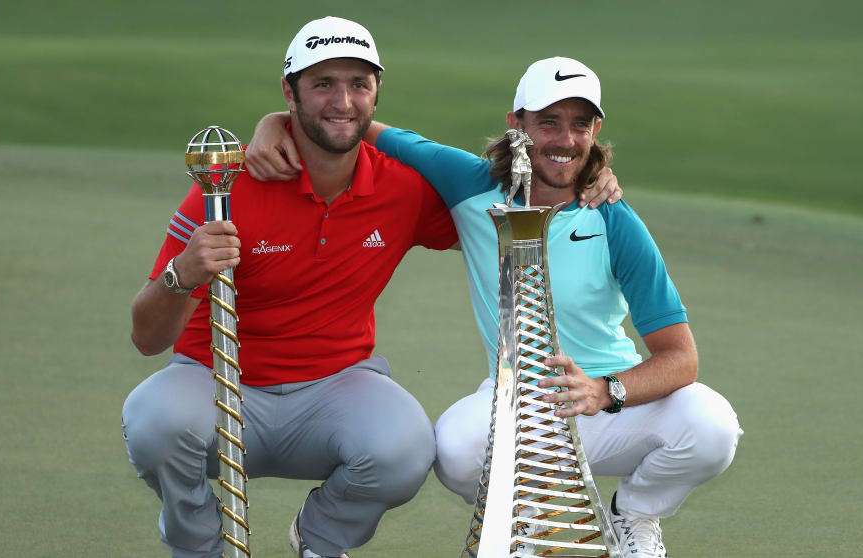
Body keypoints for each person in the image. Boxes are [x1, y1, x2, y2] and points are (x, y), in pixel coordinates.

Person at [246, 56, 743, 557]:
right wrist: (274, 122)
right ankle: (525, 521)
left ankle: (633, 513)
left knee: (712, 426)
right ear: (516, 125)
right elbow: (351, 124)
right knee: (455, 449)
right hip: (515, 402)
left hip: (611, 407)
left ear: (595, 132)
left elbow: (681, 357)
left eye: (580, 124)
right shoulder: (469, 183)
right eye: (548, 122)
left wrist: (605, 390)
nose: (565, 139)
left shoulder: (613, 218)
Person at [122, 17, 463, 558]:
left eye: (358, 85)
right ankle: (199, 546)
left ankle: (320, 539)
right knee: (153, 422)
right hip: (216, 382)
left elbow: (501, 210)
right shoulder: (225, 188)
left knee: (405, 447)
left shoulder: (403, 186)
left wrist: (594, 180)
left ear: (377, 92)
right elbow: (147, 338)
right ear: (290, 92)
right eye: (323, 84)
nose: (342, 101)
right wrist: (182, 274)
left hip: (336, 386)